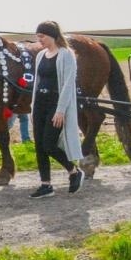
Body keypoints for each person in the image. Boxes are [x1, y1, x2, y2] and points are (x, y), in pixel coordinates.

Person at [27, 21, 83, 198]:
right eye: (37, 37)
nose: (39, 40)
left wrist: (60, 110)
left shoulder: (66, 55)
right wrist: (32, 107)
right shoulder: (41, 55)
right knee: (39, 147)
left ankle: (73, 171)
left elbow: (67, 85)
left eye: (42, 36)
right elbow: (37, 82)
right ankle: (46, 185)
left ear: (52, 35)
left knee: (49, 144)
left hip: (55, 104)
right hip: (39, 105)